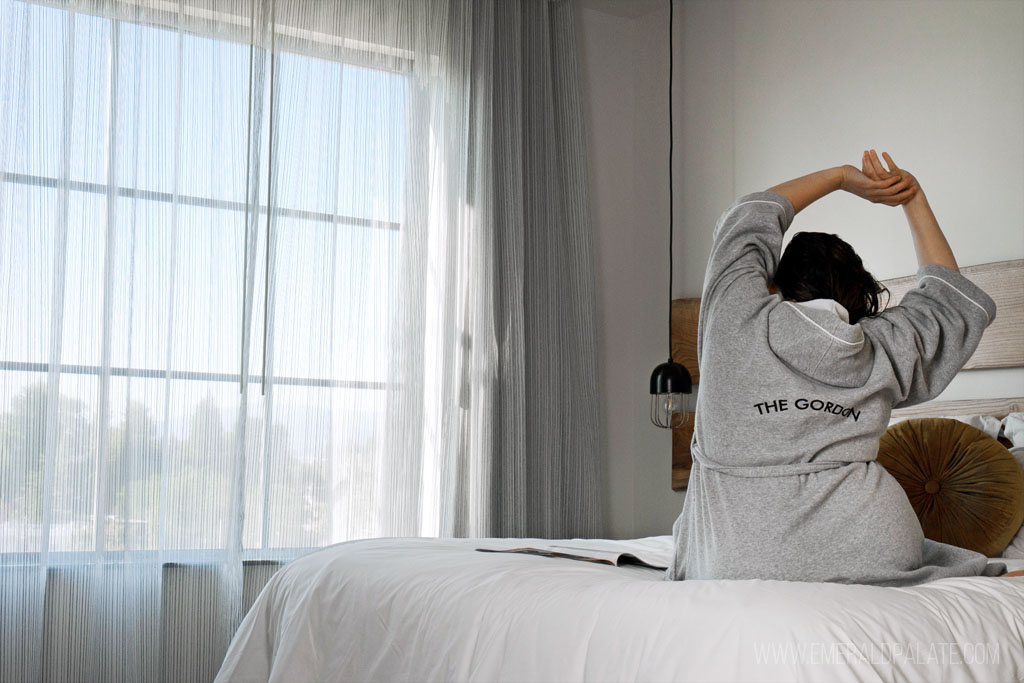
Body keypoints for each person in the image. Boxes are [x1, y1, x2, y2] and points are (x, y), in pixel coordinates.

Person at [666, 150, 1011, 585]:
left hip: (737, 553)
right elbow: (949, 302)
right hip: (872, 547)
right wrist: (912, 197)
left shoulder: (734, 319)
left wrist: (841, 178)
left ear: (770, 285)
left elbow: (748, 216)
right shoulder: (882, 345)